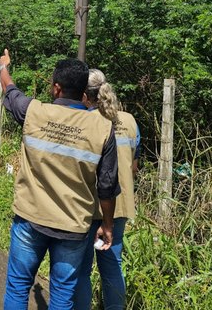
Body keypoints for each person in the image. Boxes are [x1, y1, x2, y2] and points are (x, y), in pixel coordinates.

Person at [0, 49, 120, 310]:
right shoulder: (103, 128)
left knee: (18, 285)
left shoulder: (33, 112)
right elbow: (107, 186)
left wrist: (3, 67)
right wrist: (107, 225)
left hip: (30, 218)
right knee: (63, 294)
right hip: (74, 227)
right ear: (84, 94)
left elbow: (10, 90)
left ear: (55, 88)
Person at [74, 69, 141, 310]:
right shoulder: (130, 121)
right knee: (113, 267)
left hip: (88, 206)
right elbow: (134, 166)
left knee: (81, 270)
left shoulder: (84, 121)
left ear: (84, 95)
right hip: (120, 206)